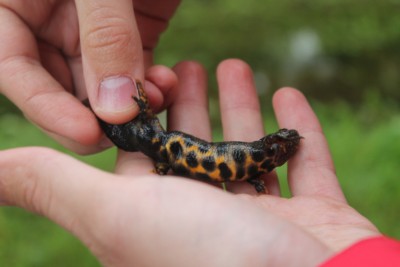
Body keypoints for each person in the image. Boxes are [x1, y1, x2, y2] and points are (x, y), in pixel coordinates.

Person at [1, 59, 399, 266]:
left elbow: (262, 159)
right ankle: (119, 118)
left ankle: (127, 122)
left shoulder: (261, 162)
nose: (288, 144)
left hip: (177, 153)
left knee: (156, 141)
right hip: (175, 150)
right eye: (283, 143)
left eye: (284, 144)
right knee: (153, 140)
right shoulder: (258, 161)